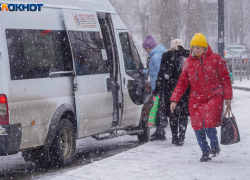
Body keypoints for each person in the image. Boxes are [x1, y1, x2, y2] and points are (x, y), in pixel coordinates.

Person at [170, 33, 233, 162]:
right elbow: (182, 83)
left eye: (199, 47)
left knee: (209, 123)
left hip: (214, 95)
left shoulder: (215, 59)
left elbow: (225, 78)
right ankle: (205, 151)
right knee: (198, 126)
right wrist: (174, 99)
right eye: (193, 47)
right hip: (196, 99)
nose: (195, 49)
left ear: (205, 47)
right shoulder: (187, 63)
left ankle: (214, 145)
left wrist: (228, 96)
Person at [154, 39, 190, 146]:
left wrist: (158, 90)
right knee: (183, 113)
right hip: (186, 89)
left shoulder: (167, 56)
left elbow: (161, 74)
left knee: (173, 113)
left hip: (171, 88)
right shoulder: (188, 56)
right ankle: (182, 137)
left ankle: (175, 137)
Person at [140, 34, 167, 141]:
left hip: (158, 87)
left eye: (145, 48)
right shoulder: (155, 55)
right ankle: (159, 131)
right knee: (158, 109)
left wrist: (158, 87)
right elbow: (153, 71)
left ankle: (160, 132)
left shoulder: (156, 57)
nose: (145, 50)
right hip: (157, 86)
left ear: (149, 46)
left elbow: (160, 72)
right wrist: (144, 72)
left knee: (159, 109)